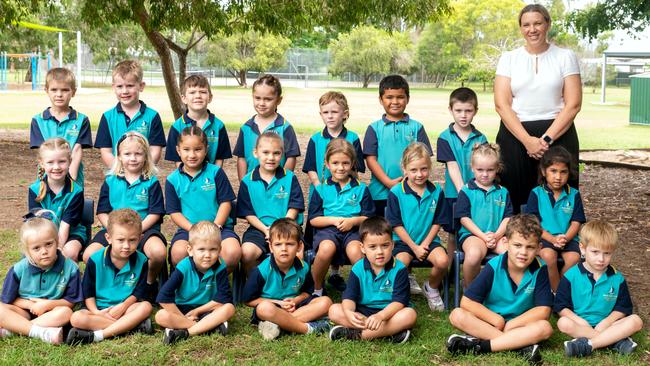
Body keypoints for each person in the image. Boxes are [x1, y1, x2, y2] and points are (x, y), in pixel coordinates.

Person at [494, 3, 582, 212]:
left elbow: (573, 104)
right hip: (516, 135)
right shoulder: (509, 58)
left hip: (558, 133)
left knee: (560, 195)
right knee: (515, 197)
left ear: (548, 24)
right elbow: (501, 104)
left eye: (537, 23)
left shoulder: (565, 56)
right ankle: (518, 243)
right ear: (521, 28)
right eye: (526, 25)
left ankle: (559, 241)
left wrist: (545, 140)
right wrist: (527, 141)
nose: (532, 29)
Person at [447, 214, 553, 364]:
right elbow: (467, 302)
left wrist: (511, 324)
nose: (523, 252)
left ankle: (480, 346)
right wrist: (497, 320)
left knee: (545, 328)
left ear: (538, 248)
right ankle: (519, 347)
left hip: (520, 325)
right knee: (457, 315)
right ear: (506, 242)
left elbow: (543, 311)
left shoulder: (540, 269)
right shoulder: (493, 266)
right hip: (491, 323)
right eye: (517, 245)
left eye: (530, 247)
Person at [84, 132, 166, 292]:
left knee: (158, 253)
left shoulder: (151, 182)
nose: (133, 158)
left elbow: (155, 213)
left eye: (138, 154)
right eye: (127, 154)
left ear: (146, 156)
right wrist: (115, 232)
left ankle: (147, 285)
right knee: (89, 255)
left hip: (144, 230)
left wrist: (135, 230)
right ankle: (109, 286)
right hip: (113, 230)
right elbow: (102, 211)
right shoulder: (110, 181)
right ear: (119, 156)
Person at [303, 91, 365, 291]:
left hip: (347, 196)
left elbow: (356, 170)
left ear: (344, 114)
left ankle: (336, 274)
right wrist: (320, 186)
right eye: (325, 112)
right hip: (323, 191)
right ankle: (316, 285)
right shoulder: (315, 139)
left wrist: (347, 190)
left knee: (346, 234)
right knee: (326, 241)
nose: (330, 116)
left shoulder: (353, 137)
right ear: (321, 114)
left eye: (334, 112)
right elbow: (311, 167)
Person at [555, 221, 644, 357]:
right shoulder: (570, 276)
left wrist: (606, 322)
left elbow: (622, 308)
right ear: (583, 248)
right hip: (580, 325)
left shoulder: (617, 278)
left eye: (607, 253)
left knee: (636, 321)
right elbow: (561, 307)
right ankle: (614, 341)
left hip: (608, 325)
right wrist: (579, 321)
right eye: (595, 252)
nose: (601, 259)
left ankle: (588, 345)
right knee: (563, 323)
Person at [66, 209, 153, 345]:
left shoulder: (142, 261)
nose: (126, 246)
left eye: (132, 240)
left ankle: (98, 335)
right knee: (76, 318)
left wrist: (123, 306)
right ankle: (130, 326)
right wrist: (96, 312)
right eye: (120, 240)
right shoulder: (95, 260)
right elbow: (88, 293)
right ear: (108, 238)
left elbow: (139, 292)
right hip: (99, 310)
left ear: (140, 239)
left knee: (146, 307)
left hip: (126, 308)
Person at [328, 216, 416, 343]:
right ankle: (389, 333)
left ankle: (356, 335)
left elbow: (399, 302)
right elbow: (349, 298)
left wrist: (380, 316)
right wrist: (348, 312)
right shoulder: (358, 268)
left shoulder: (400, 269)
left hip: (389, 313)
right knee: (334, 310)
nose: (379, 252)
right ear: (362, 248)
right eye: (373, 247)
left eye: (385, 245)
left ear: (392, 245)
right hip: (363, 311)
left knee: (409, 315)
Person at [242, 218, 332, 341]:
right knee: (264, 308)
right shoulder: (261, 270)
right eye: (278, 244)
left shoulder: (303, 267)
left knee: (326, 302)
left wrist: (295, 300)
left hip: (295, 307)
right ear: (271, 247)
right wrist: (278, 303)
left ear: (299, 246)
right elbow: (248, 300)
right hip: (273, 308)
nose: (284, 249)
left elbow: (307, 292)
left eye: (289, 244)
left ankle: (279, 325)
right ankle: (308, 328)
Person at [165, 126, 240, 270]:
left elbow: (226, 203)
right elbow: (174, 212)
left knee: (232, 252)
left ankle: (217, 285)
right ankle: (192, 286)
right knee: (178, 253)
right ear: (178, 150)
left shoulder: (216, 173)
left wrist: (215, 226)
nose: (192, 155)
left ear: (206, 150)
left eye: (197, 149)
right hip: (189, 229)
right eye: (186, 149)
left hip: (219, 228)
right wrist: (193, 229)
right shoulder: (172, 179)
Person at [386, 142, 450, 310]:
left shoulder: (437, 191)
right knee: (400, 264)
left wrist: (425, 244)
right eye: (413, 170)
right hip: (402, 242)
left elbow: (438, 221)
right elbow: (395, 225)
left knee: (443, 261)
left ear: (429, 168)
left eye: (423, 169)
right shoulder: (396, 192)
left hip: (428, 241)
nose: (419, 174)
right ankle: (401, 295)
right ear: (404, 169)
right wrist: (414, 247)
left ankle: (432, 287)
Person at [0, 217, 82, 345]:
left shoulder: (71, 268)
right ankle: (41, 332)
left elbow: (71, 301)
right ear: (27, 251)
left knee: (66, 313)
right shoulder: (18, 269)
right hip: (23, 312)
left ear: (57, 241)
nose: (44, 251)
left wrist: (46, 305)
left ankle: (14, 329)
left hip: (52, 312)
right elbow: (8, 299)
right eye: (36, 248)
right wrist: (31, 305)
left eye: (49, 244)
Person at [309, 139, 375, 296]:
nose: (340, 167)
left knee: (355, 251)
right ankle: (317, 288)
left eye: (345, 163)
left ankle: (362, 291)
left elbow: (368, 218)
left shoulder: (361, 189)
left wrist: (353, 221)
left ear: (352, 163)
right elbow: (313, 219)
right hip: (327, 230)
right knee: (326, 249)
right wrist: (333, 220)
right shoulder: (321, 189)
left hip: (353, 231)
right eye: (335, 163)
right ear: (327, 163)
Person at [155, 221, 236, 345]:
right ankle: (207, 327)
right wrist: (183, 317)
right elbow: (163, 297)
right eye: (201, 249)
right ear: (190, 250)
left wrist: (197, 311)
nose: (207, 255)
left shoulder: (220, 266)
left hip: (207, 310)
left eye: (213, 249)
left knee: (229, 308)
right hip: (182, 310)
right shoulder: (184, 266)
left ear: (220, 249)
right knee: (160, 316)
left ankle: (186, 332)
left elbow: (223, 298)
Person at [363, 74, 432, 217]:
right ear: (380, 100)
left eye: (400, 97)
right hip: (380, 193)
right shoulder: (374, 128)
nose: (395, 101)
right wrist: (388, 182)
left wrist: (407, 184)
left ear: (407, 99)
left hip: (412, 191)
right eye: (389, 97)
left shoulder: (417, 127)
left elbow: (425, 159)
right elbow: (371, 160)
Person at [237, 132, 305, 273]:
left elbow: (294, 207)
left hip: (288, 227)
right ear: (256, 153)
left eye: (276, 153)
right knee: (246, 254)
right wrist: (266, 229)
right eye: (266, 152)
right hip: (259, 229)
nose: (271, 158)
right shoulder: (247, 181)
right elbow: (248, 213)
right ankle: (257, 286)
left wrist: (278, 229)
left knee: (297, 254)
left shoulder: (290, 178)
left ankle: (291, 287)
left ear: (282, 154)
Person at [525, 146, 585, 291]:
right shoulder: (536, 193)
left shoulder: (574, 194)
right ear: (544, 171)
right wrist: (552, 239)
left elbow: (576, 223)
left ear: (569, 173)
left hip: (568, 238)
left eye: (563, 172)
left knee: (573, 258)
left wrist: (565, 238)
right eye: (553, 171)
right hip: (544, 237)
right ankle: (556, 294)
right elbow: (534, 223)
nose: (558, 177)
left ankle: (560, 290)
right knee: (547, 256)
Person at [455, 143, 513, 287]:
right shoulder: (466, 191)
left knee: (511, 254)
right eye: (480, 170)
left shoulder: (503, 192)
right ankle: (470, 289)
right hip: (473, 235)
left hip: (497, 235)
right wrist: (483, 236)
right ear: (472, 168)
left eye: (490, 170)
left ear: (497, 169)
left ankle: (501, 290)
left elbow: (508, 217)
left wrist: (497, 235)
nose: (485, 174)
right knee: (474, 255)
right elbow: (464, 218)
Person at [94, 59, 166, 168]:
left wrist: (142, 171)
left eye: (130, 86)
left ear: (141, 86)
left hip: (144, 178)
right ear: (113, 87)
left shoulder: (152, 116)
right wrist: (120, 171)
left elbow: (155, 150)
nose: (124, 91)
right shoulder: (107, 117)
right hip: (116, 178)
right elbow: (106, 152)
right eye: (120, 86)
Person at [30, 67, 92, 186]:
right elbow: (42, 154)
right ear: (46, 90)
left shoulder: (81, 120)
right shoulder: (38, 120)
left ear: (73, 92)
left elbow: (77, 151)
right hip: (46, 180)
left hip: (74, 180)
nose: (59, 94)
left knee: (73, 204)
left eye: (65, 90)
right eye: (54, 90)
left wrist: (70, 181)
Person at [233, 74, 300, 180]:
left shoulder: (284, 127)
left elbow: (291, 157)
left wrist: (283, 182)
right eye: (257, 98)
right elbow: (241, 158)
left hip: (277, 187)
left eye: (268, 99)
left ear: (278, 100)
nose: (262, 103)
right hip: (253, 185)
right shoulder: (246, 128)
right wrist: (243, 184)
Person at [29, 138, 86, 260]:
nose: (56, 167)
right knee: (35, 253)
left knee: (69, 252)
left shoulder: (76, 191)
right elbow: (36, 222)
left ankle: (69, 278)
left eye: (61, 161)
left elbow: (66, 226)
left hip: (72, 233)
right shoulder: (35, 190)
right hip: (43, 234)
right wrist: (47, 247)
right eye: (50, 162)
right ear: (42, 163)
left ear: (70, 161)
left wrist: (57, 249)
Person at [165, 74, 232, 166]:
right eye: (192, 92)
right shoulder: (177, 127)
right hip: (186, 178)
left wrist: (214, 177)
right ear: (184, 98)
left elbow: (219, 158)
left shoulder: (218, 126)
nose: (198, 96)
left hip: (211, 179)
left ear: (210, 97)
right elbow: (177, 160)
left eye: (203, 92)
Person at [437, 87, 488, 207]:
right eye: (458, 110)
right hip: (454, 194)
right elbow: (452, 167)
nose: (463, 115)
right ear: (450, 110)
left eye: (468, 111)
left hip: (478, 194)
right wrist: (464, 194)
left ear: (475, 111)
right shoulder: (444, 138)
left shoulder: (481, 138)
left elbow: (485, 167)